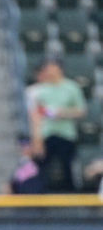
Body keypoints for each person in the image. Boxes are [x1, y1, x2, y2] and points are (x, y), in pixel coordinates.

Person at [29, 59, 86, 192]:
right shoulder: (41, 89)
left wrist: (62, 113)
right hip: (47, 133)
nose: (49, 71)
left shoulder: (72, 87)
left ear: (60, 70)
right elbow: (36, 114)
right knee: (41, 166)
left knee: (67, 165)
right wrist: (37, 139)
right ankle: (39, 195)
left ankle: (71, 195)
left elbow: (81, 111)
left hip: (65, 133)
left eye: (52, 68)